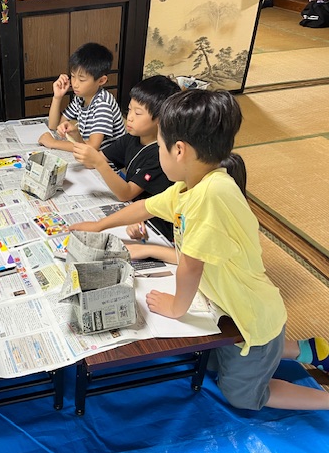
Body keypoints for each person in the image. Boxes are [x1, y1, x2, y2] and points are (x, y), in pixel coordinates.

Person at [70, 89, 329, 411]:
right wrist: (98, 225)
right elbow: (146, 207)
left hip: (252, 319)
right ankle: (306, 349)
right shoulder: (193, 185)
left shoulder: (210, 197)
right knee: (216, 359)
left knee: (243, 395)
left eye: (159, 147)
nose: (159, 153)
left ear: (179, 150)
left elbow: (191, 267)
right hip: (228, 306)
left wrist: (177, 307)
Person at [72, 75, 180, 241]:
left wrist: (99, 163)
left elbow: (126, 193)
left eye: (138, 113)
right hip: (134, 214)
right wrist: (76, 137)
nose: (129, 117)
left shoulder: (160, 154)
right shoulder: (132, 138)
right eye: (130, 109)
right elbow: (92, 161)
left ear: (161, 120)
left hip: (155, 227)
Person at [38, 42, 125, 152]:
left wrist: (53, 143)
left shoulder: (103, 104)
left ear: (101, 81)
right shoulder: (80, 97)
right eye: (73, 76)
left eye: (82, 79)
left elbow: (92, 147)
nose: (75, 84)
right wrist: (57, 97)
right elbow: (54, 126)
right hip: (89, 154)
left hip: (106, 160)